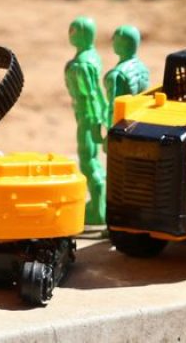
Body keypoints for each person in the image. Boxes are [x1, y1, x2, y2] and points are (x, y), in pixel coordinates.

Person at [64, 15, 109, 226]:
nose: (69, 34)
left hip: (87, 114)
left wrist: (91, 119)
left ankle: (99, 205)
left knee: (87, 158)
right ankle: (98, 203)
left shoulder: (80, 65)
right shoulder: (92, 56)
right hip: (93, 113)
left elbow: (90, 94)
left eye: (72, 31)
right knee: (92, 158)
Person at [103, 25, 151, 124]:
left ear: (120, 44)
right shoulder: (144, 69)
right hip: (141, 122)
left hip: (122, 127)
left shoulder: (117, 75)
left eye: (115, 40)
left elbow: (114, 108)